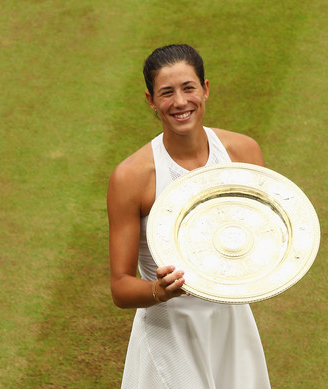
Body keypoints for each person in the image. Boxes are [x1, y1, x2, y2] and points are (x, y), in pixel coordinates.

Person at [107, 44, 271, 389]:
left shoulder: (244, 152)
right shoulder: (132, 177)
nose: (180, 102)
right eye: (167, 93)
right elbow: (121, 288)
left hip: (231, 324)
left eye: (189, 88)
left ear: (205, 89)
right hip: (168, 334)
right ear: (151, 101)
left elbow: (264, 235)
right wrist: (159, 291)